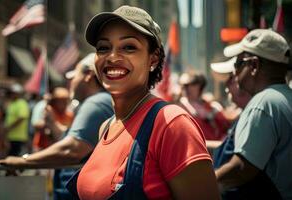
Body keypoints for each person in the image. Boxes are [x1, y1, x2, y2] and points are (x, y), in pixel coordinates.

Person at [67, 5, 220, 200]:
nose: (112, 57)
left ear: (153, 59)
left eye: (129, 47)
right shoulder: (106, 127)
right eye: (103, 48)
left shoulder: (172, 124)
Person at [0, 53, 114, 200]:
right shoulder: (101, 101)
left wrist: (24, 161)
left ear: (88, 75)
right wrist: (52, 123)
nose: (70, 82)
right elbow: (79, 140)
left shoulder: (95, 103)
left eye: (74, 76)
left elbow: (72, 149)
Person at [216, 29, 292, 199]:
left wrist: (205, 186)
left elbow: (242, 168)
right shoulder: (283, 97)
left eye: (238, 63)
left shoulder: (263, 104)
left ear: (254, 66)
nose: (235, 72)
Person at [208, 57, 252, 168]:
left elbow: (241, 166)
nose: (226, 85)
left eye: (231, 78)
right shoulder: (246, 113)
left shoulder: (253, 115)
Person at [178, 70, 230, 140]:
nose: (185, 88)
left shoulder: (213, 106)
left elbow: (225, 126)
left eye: (190, 84)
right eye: (183, 85)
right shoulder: (181, 107)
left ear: (200, 85)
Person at [4, 83, 30, 156]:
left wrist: (9, 127)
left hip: (19, 137)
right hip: (11, 136)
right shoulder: (12, 103)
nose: (12, 95)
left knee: (16, 157)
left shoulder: (22, 103)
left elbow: (21, 117)